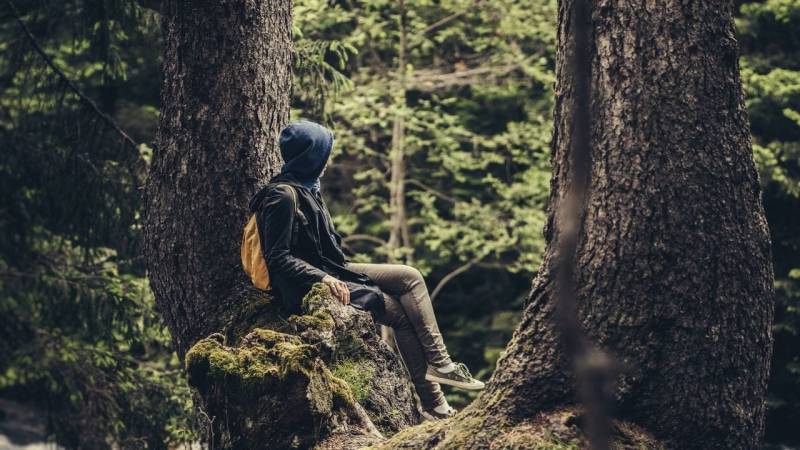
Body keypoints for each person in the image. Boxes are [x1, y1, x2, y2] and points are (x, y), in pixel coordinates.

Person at [249, 118, 485, 421]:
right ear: (311, 157)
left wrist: (331, 270)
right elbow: (278, 258)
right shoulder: (282, 196)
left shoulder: (308, 186)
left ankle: (442, 364)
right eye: (324, 152)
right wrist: (323, 277)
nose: (328, 159)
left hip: (334, 268)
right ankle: (436, 405)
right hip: (308, 284)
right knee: (398, 314)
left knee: (410, 276)